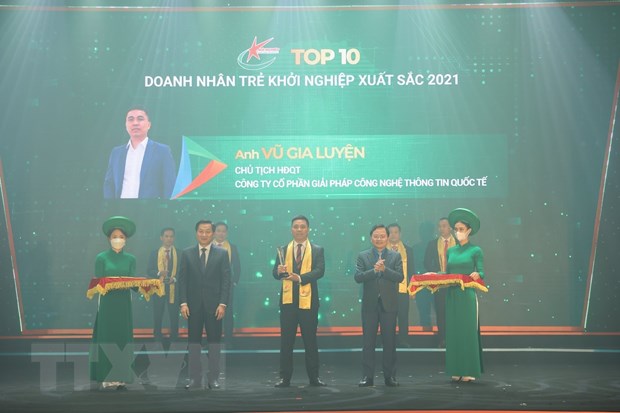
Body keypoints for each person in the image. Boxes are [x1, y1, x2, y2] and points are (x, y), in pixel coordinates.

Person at [272, 215, 326, 387]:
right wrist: (278, 271)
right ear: (291, 229)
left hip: (309, 304)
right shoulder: (283, 249)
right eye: (296, 226)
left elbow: (320, 271)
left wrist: (300, 278)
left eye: (302, 226)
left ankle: (314, 378)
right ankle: (284, 378)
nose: (299, 229)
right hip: (288, 304)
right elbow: (275, 273)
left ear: (308, 229)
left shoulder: (317, 249)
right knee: (286, 342)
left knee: (310, 342)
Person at [178, 220, 232, 390]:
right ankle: (194, 378)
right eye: (201, 231)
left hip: (215, 306)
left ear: (213, 233)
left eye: (208, 231)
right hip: (192, 306)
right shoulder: (187, 253)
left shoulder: (222, 253)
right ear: (196, 233)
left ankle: (213, 378)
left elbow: (226, 281)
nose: (204, 234)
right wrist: (183, 303)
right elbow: (182, 281)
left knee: (214, 342)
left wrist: (223, 304)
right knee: (194, 343)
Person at [89, 216, 137, 390]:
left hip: (124, 303)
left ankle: (122, 376)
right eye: (115, 236)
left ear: (126, 239)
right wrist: (111, 282)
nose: (118, 239)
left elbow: (134, 283)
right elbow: (97, 282)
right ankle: (106, 375)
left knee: (123, 337)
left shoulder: (131, 259)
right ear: (109, 239)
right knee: (107, 336)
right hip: (107, 302)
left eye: (121, 237)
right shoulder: (101, 258)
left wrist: (150, 283)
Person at [355, 224, 403, 387]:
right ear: (371, 238)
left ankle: (390, 377)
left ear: (387, 238)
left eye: (382, 236)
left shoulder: (395, 256)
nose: (379, 239)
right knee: (368, 343)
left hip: (389, 305)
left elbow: (400, 277)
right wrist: (374, 271)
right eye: (376, 236)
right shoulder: (363, 256)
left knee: (389, 342)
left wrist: (384, 270)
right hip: (369, 305)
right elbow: (358, 277)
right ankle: (367, 377)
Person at [445, 208, 485, 382]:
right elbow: (447, 273)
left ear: (469, 231)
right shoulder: (451, 251)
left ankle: (468, 369)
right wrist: (433, 275)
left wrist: (477, 274)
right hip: (452, 295)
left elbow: (481, 272)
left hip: (467, 294)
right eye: (456, 229)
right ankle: (456, 368)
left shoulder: (476, 250)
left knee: (467, 331)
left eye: (461, 229)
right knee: (454, 331)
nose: (458, 232)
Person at [103, 107, 176, 199]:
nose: (135, 123)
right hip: (120, 207)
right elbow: (109, 183)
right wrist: (110, 204)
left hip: (149, 207)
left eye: (140, 119)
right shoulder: (116, 153)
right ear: (126, 125)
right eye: (130, 119)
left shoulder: (162, 151)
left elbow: (169, 185)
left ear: (149, 125)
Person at [423, 217, 457, 347]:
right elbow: (426, 262)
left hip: (455, 284)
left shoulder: (459, 243)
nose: (441, 228)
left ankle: (456, 339)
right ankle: (443, 339)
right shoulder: (432, 244)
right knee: (441, 313)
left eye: (444, 226)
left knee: (455, 313)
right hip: (440, 285)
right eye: (439, 226)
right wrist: (437, 273)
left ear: (450, 227)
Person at [147, 227, 180, 341]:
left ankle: (174, 337)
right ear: (161, 238)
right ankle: (157, 337)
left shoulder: (180, 253)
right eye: (166, 236)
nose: (169, 239)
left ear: (174, 238)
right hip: (158, 289)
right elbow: (149, 270)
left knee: (174, 314)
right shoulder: (154, 253)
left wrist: (174, 279)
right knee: (158, 314)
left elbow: (183, 271)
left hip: (174, 289)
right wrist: (159, 273)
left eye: (171, 236)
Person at [213, 222, 241, 344]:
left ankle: (229, 341)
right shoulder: (208, 246)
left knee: (228, 313)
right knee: (212, 313)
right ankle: (214, 340)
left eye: (223, 231)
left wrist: (234, 282)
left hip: (227, 286)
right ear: (214, 232)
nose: (221, 233)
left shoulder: (232, 247)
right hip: (211, 286)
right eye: (218, 231)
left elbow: (237, 266)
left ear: (227, 233)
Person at [386, 223, 414, 347]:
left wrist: (412, 289)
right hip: (386, 290)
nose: (393, 235)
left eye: (395, 232)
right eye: (390, 232)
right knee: (387, 317)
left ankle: (404, 341)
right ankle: (387, 341)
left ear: (400, 234)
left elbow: (412, 270)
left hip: (403, 289)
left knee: (403, 316)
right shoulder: (382, 249)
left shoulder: (408, 250)